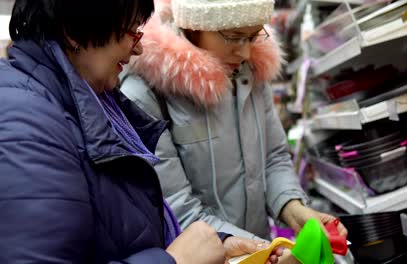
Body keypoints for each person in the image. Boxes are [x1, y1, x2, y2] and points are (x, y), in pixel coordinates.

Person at [0, 0, 282, 263]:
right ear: (74, 31)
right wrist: (176, 261)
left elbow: (119, 230)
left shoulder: (88, 102)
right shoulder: (27, 126)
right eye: (130, 32)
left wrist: (218, 244)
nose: (138, 49)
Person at [121, 0, 347, 243]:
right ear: (195, 26)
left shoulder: (250, 73)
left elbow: (273, 157)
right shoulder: (146, 95)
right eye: (234, 36)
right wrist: (263, 252)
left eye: (253, 36)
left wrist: (293, 208)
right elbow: (175, 206)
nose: (246, 52)